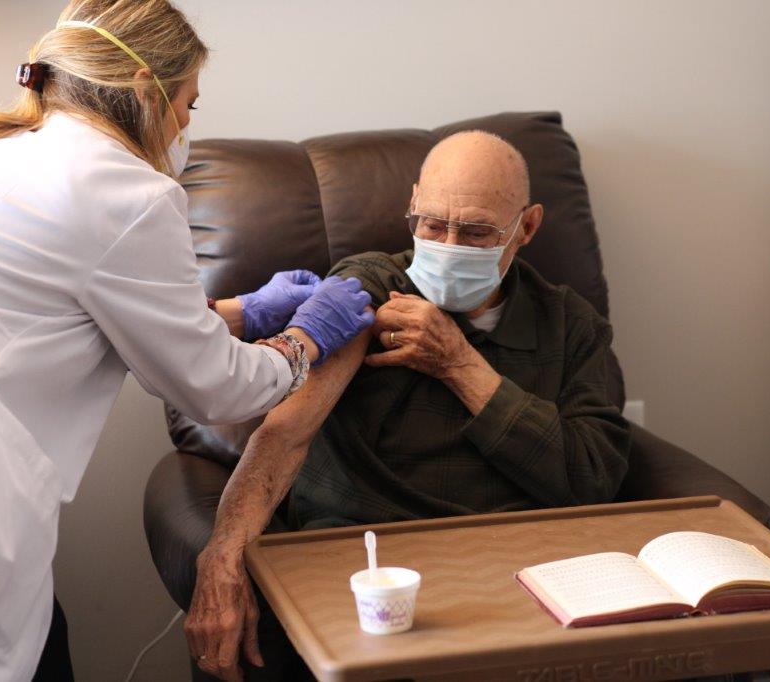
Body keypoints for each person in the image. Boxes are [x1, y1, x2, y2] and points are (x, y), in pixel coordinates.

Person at [0, 1, 373, 680]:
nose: (187, 122)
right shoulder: (125, 191)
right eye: (187, 102)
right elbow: (217, 389)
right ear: (141, 87)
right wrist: (306, 338)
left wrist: (245, 311)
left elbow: (84, 311)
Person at [184, 131, 631, 680]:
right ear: (413, 204)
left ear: (526, 227)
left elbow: (592, 479)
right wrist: (223, 554)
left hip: (508, 562)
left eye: (475, 231)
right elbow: (284, 434)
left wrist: (460, 364)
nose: (448, 243)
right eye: (432, 224)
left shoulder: (570, 326)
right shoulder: (367, 289)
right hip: (368, 556)